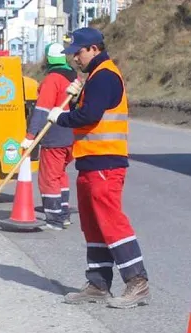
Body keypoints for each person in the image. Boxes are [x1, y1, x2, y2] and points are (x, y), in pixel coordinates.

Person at [48, 27, 150, 308]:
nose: (74, 59)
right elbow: (90, 108)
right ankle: (98, 283)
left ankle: (137, 282)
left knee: (111, 222)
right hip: (90, 161)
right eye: (72, 54)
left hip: (106, 161)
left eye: (78, 53)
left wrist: (62, 117)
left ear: (94, 48)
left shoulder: (104, 75)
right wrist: (79, 93)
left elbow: (90, 115)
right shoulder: (93, 77)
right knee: (92, 226)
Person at [21, 41, 77, 230]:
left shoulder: (53, 79)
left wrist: (30, 135)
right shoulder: (73, 77)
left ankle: (54, 220)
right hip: (71, 135)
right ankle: (63, 214)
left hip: (54, 135)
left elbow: (42, 110)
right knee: (60, 175)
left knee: (49, 177)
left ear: (48, 59)